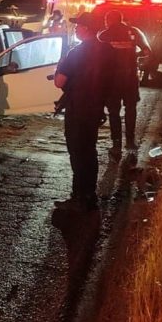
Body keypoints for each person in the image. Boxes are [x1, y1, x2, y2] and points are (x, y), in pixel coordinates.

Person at [54, 13, 108, 210]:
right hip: (95, 108)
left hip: (78, 108)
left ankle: (78, 197)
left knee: (77, 152)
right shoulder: (105, 50)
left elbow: (60, 81)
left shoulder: (76, 52)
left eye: (79, 26)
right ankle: (89, 194)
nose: (76, 29)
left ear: (87, 28)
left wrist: (60, 67)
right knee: (89, 151)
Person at [97, 10, 151, 153]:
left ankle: (116, 144)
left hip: (112, 80)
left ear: (109, 20)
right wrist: (134, 56)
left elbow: (97, 57)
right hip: (130, 79)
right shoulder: (134, 32)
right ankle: (130, 141)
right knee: (130, 109)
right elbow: (147, 51)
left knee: (114, 111)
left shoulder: (103, 35)